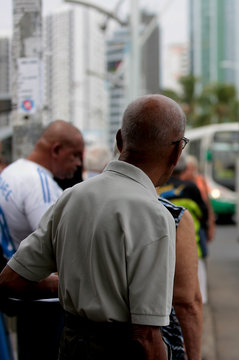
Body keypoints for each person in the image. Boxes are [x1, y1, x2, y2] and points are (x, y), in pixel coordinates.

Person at [0, 94, 187, 360]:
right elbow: (146, 337)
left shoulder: (71, 197)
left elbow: (10, 280)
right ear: (177, 151)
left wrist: (67, 285)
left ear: (120, 140)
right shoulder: (155, 216)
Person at [0, 119, 84, 360]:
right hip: (45, 302)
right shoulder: (40, 184)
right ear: (56, 150)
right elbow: (60, 246)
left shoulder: (14, 171)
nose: (78, 163)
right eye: (75, 155)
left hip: (27, 295)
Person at [160, 155, 210, 304]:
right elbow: (203, 214)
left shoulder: (157, 187)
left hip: (163, 245)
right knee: (194, 293)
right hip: (190, 245)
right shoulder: (191, 188)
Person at [158, 197, 203, 360]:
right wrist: (194, 356)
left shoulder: (75, 197)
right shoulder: (172, 214)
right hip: (157, 343)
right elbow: (187, 302)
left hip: (82, 343)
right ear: (169, 168)